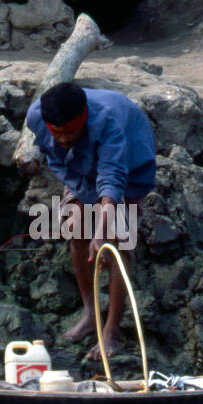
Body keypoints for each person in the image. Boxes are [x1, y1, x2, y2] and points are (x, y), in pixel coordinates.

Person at [25, 83, 157, 360]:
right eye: (57, 133)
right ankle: (91, 313)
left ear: (83, 117)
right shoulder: (37, 117)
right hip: (80, 168)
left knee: (119, 243)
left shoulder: (108, 123)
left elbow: (112, 177)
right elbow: (57, 161)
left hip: (129, 162)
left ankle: (112, 330)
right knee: (76, 229)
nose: (63, 139)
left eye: (70, 132)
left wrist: (102, 229)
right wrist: (89, 206)